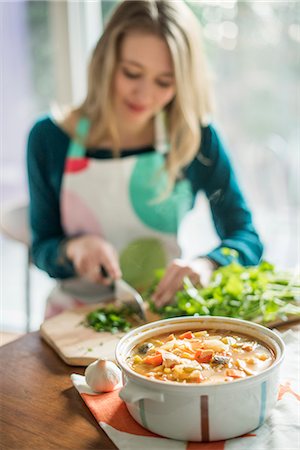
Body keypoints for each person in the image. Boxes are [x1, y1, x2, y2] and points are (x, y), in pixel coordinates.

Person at [27, 0, 263, 318]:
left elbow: (246, 238)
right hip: (74, 320)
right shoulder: (50, 138)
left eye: (164, 82)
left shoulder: (196, 138)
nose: (144, 94)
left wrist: (208, 264)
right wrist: (74, 248)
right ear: (105, 62)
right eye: (131, 73)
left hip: (161, 318)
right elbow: (43, 247)